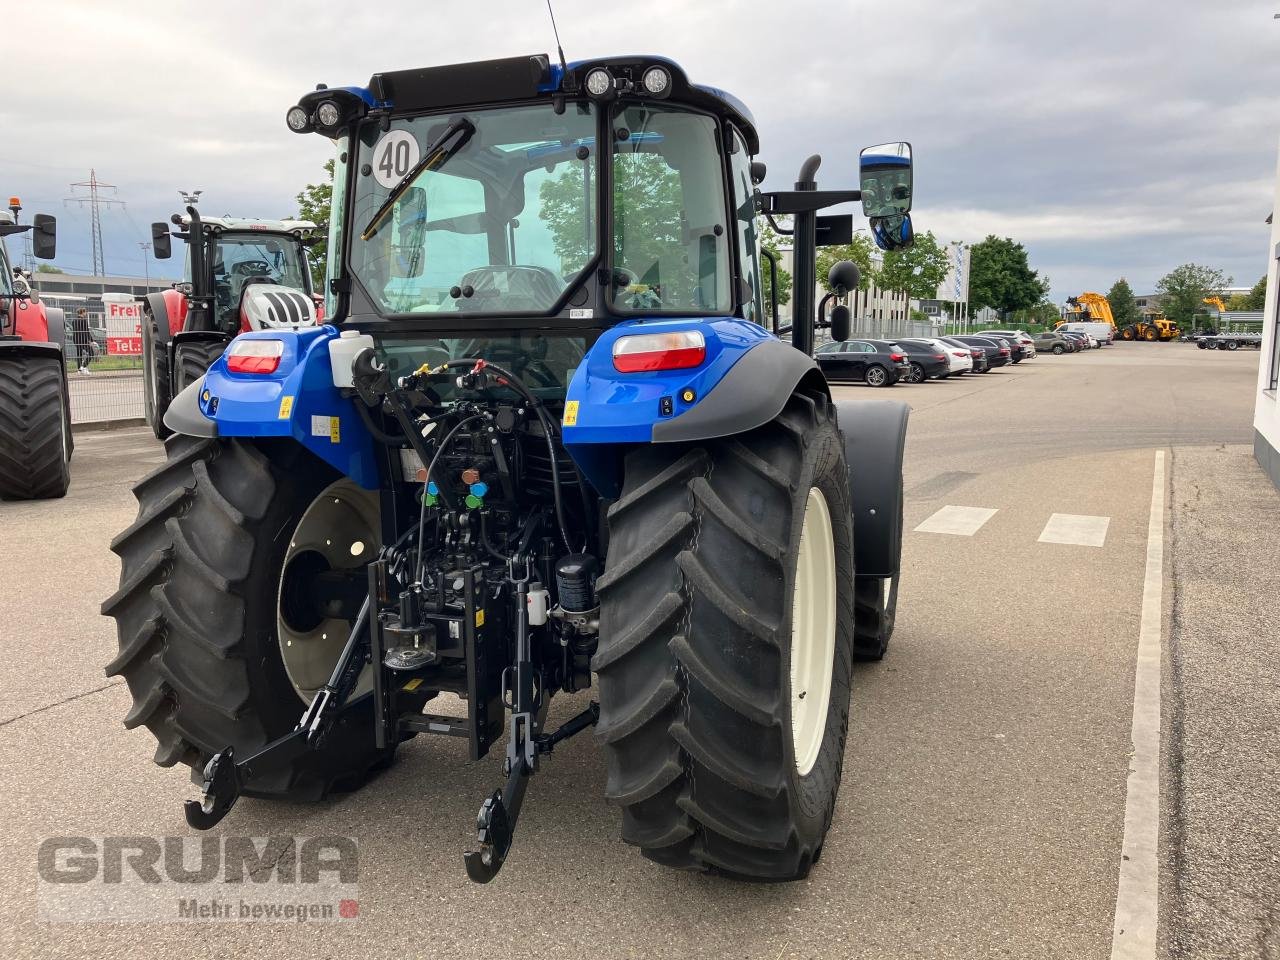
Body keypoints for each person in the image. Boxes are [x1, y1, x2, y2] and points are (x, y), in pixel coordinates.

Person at [71, 307, 94, 374]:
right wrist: (91, 340)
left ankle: (79, 369)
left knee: (79, 354)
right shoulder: (84, 320)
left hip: (76, 339)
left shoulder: (73, 321)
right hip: (83, 340)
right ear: (83, 312)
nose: (86, 313)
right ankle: (83, 367)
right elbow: (86, 331)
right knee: (91, 353)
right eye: (85, 312)